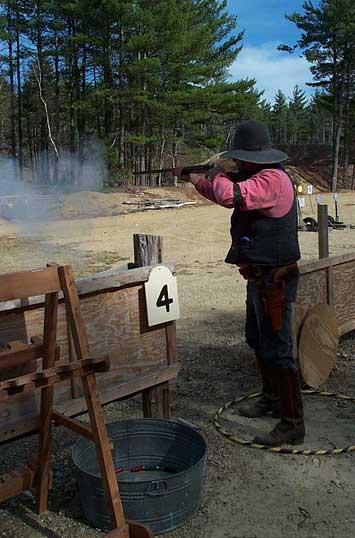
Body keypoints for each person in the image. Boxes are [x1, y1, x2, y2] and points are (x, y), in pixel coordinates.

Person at [175, 119, 304, 447]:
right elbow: (219, 192)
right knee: (259, 341)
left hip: (274, 279)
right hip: (259, 277)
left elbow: (230, 195)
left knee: (279, 349)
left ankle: (292, 423)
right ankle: (271, 399)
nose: (240, 162)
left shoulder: (272, 179)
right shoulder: (259, 175)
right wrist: (194, 178)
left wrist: (215, 173)